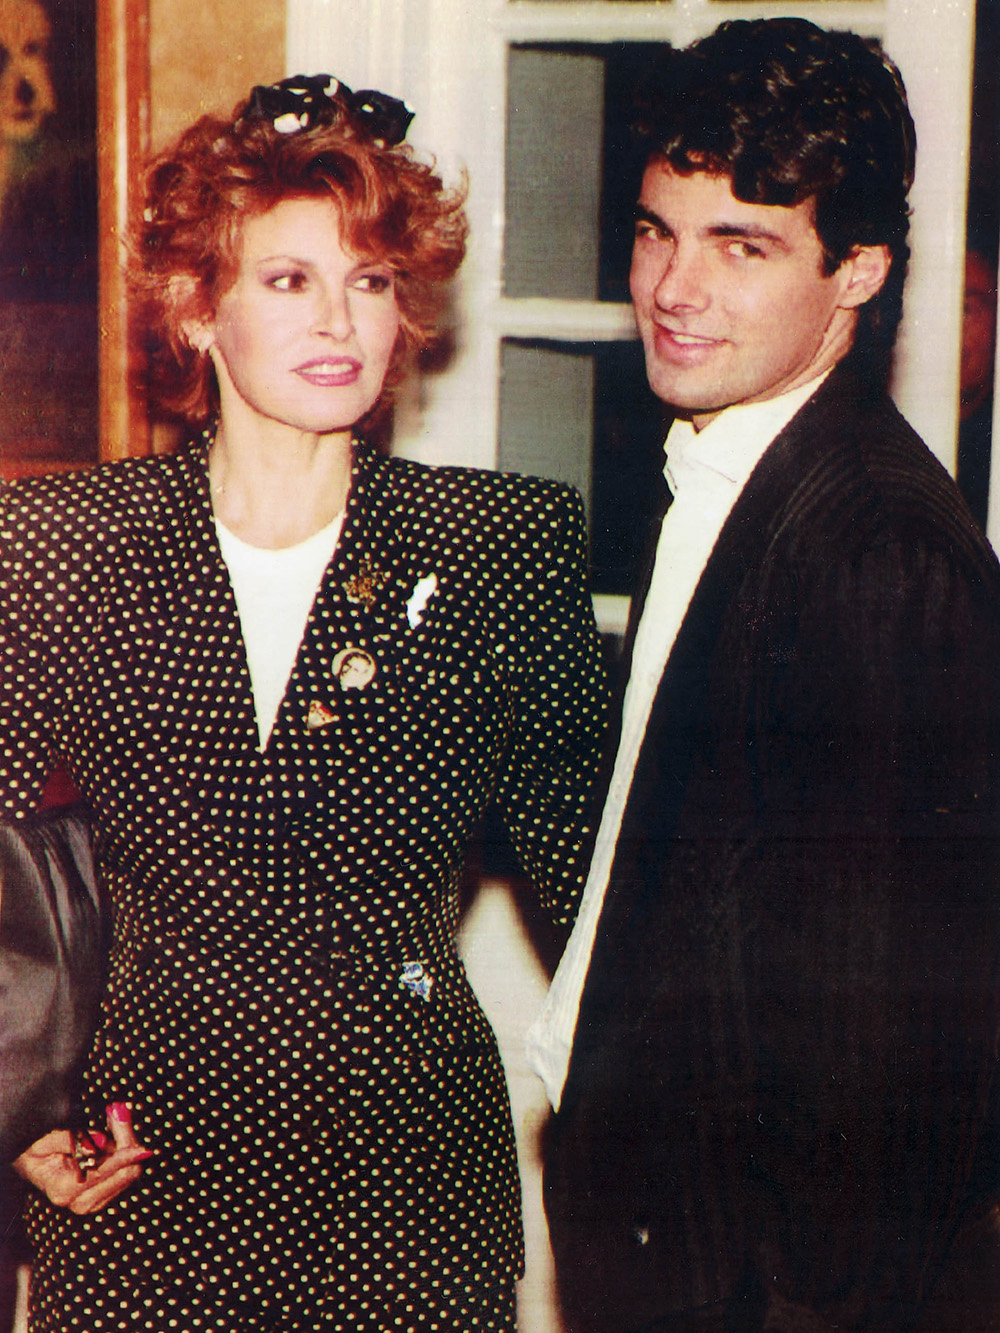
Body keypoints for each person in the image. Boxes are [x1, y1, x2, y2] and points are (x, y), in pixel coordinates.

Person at [0, 73, 607, 1330]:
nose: (341, 317)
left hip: (401, 1197)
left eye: (371, 281)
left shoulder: (497, 547)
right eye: (288, 280)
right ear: (197, 310)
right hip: (141, 1185)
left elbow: (608, 892)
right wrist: (15, 1112)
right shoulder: (63, 544)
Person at [529, 19, 1000, 1332]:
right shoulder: (732, 475)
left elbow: (885, 1073)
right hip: (660, 1240)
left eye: (742, 246)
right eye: (655, 231)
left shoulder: (877, 553)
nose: (676, 288)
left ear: (858, 271)